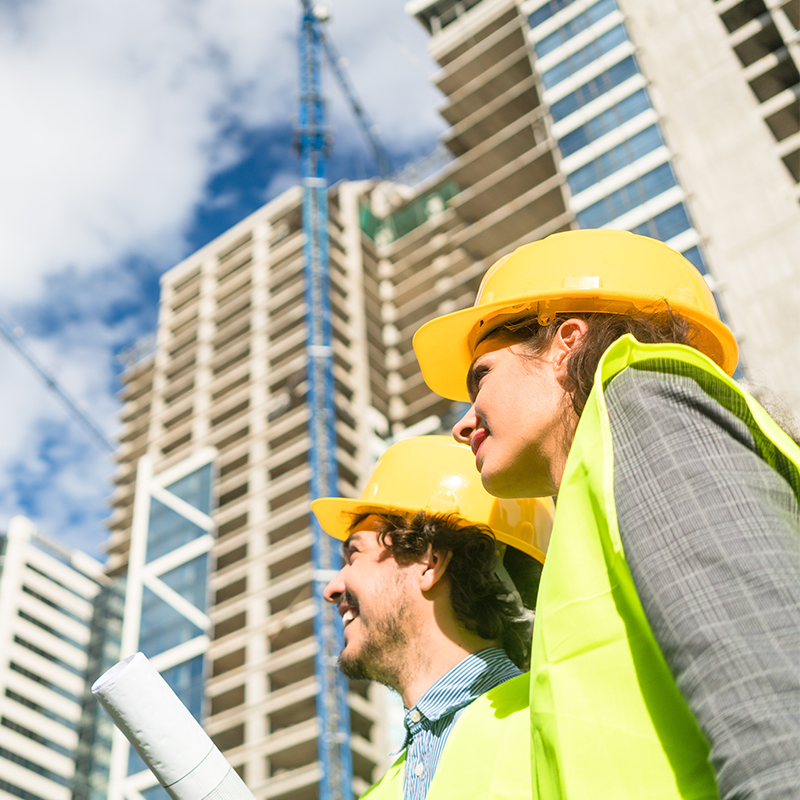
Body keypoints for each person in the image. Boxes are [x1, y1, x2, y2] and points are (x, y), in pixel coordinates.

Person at [412, 229, 800, 799]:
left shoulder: (644, 396)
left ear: (565, 342)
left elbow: (774, 710)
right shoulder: (594, 496)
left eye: (482, 378)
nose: (463, 423)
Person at [310, 435, 553, 800]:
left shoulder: (555, 718)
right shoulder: (378, 793)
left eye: (354, 555)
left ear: (429, 561)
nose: (331, 588)